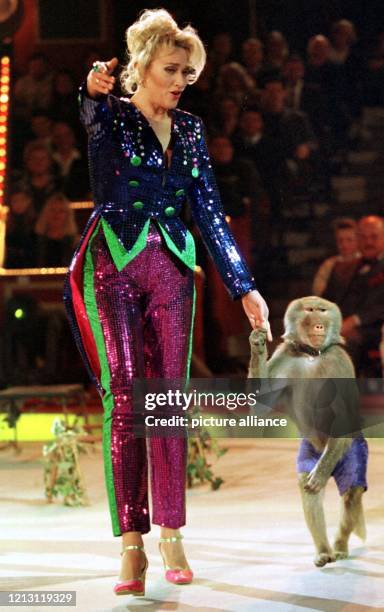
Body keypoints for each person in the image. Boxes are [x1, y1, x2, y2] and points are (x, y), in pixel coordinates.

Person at [63, 8, 270, 598]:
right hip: (116, 262)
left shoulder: (193, 132)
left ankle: (173, 531)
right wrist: (90, 87)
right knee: (127, 399)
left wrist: (242, 284)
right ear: (142, 67)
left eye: (188, 73)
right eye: (172, 69)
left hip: (175, 269)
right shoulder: (111, 115)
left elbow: (208, 209)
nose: (181, 81)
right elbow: (87, 109)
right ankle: (132, 544)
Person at [324, 215, 384, 376]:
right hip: (341, 325)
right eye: (363, 237)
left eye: (374, 237)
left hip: (374, 328)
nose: (368, 242)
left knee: (343, 344)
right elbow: (326, 300)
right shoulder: (344, 267)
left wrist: (354, 321)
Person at [312, 218, 360, 296]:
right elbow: (318, 290)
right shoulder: (329, 265)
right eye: (340, 240)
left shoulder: (366, 262)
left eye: (349, 240)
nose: (344, 245)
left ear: (358, 240)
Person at [35, 192, 78, 267]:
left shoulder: (75, 244)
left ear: (67, 215)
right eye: (53, 210)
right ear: (46, 213)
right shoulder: (35, 242)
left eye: (61, 211)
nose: (56, 214)